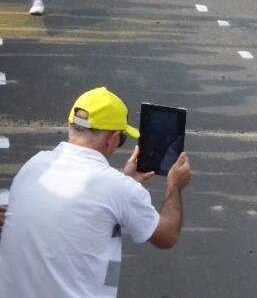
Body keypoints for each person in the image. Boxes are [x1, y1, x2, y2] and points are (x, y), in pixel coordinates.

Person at [0, 87, 193, 297]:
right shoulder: (117, 187)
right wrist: (174, 186)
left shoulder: (34, 165)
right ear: (113, 138)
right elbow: (167, 236)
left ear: (70, 125)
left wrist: (126, 182)